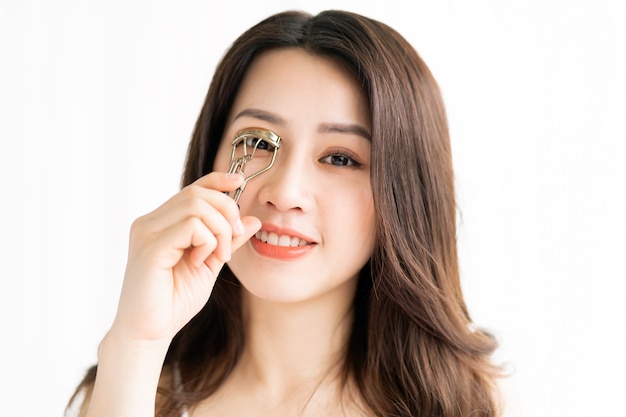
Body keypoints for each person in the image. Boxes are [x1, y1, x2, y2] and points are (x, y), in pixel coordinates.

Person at [67, 9, 504, 417]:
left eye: (340, 158)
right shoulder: (130, 386)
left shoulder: (460, 405)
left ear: (405, 193)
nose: (285, 193)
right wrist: (138, 343)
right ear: (210, 159)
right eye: (257, 142)